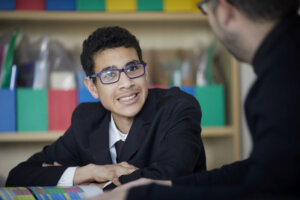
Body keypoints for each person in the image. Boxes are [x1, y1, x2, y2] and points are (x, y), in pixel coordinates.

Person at [93, 0, 300, 199]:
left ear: (225, 10)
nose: (126, 82)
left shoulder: (281, 84)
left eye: (206, 9)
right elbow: (264, 172)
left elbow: (271, 193)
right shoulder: (287, 62)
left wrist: (138, 196)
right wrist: (167, 186)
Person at [5, 26, 206, 189]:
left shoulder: (178, 107)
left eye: (133, 68)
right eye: (110, 75)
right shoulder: (86, 120)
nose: (126, 83)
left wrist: (97, 187)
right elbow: (18, 176)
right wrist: (89, 172)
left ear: (145, 73)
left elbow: (169, 177)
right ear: (92, 87)